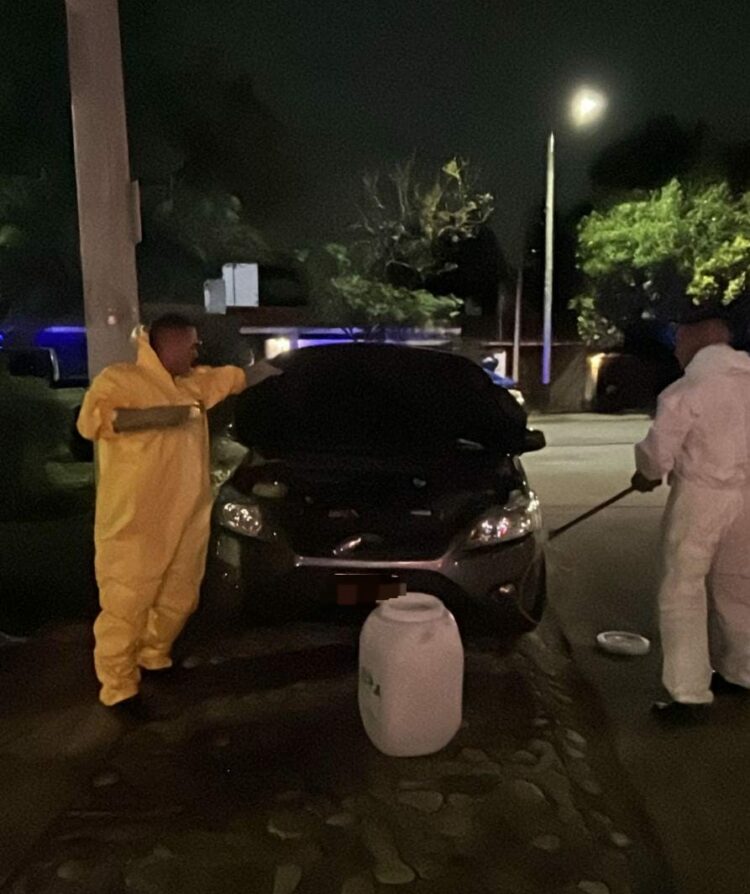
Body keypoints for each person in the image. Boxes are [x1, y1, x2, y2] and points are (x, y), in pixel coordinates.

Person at [77, 314, 281, 715]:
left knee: (179, 597)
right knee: (126, 605)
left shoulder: (194, 385)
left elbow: (236, 378)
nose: (195, 350)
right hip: (135, 522)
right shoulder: (120, 380)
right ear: (163, 346)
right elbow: (92, 422)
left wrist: (276, 369)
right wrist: (163, 415)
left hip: (187, 518)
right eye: (189, 344)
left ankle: (153, 657)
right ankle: (118, 688)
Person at [631, 317, 750, 722]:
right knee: (739, 585)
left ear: (696, 340)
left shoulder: (687, 391)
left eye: (679, 340)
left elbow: (657, 453)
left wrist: (646, 474)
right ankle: (742, 672)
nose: (676, 350)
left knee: (683, 588)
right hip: (748, 498)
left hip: (703, 497)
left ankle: (689, 692)